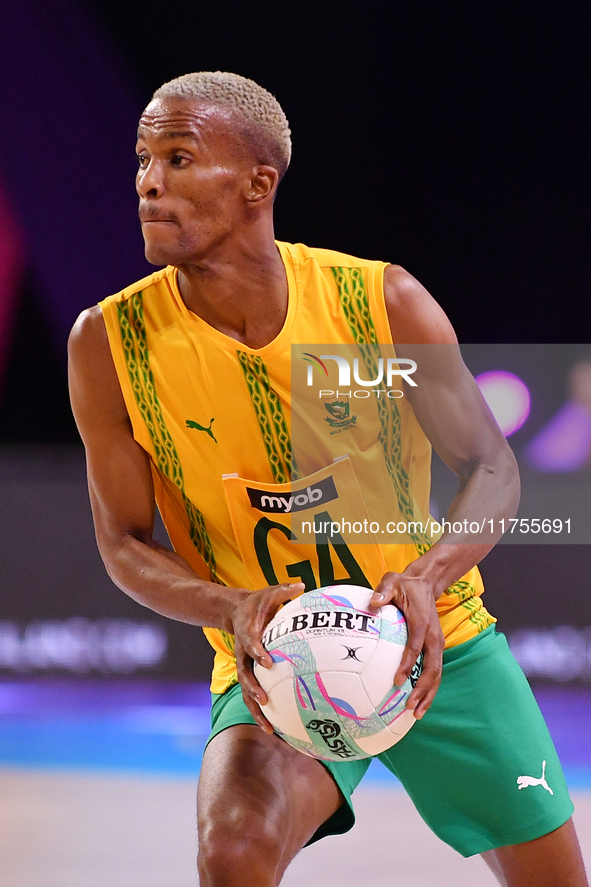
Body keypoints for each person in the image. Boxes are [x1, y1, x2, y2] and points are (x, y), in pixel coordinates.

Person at [68, 71, 587, 886]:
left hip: (435, 639)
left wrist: (426, 576)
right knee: (234, 849)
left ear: (256, 184)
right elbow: (123, 541)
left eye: (176, 157)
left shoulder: (380, 303)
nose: (147, 181)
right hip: (274, 658)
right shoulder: (108, 343)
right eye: (141, 159)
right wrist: (231, 606)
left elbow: (491, 465)